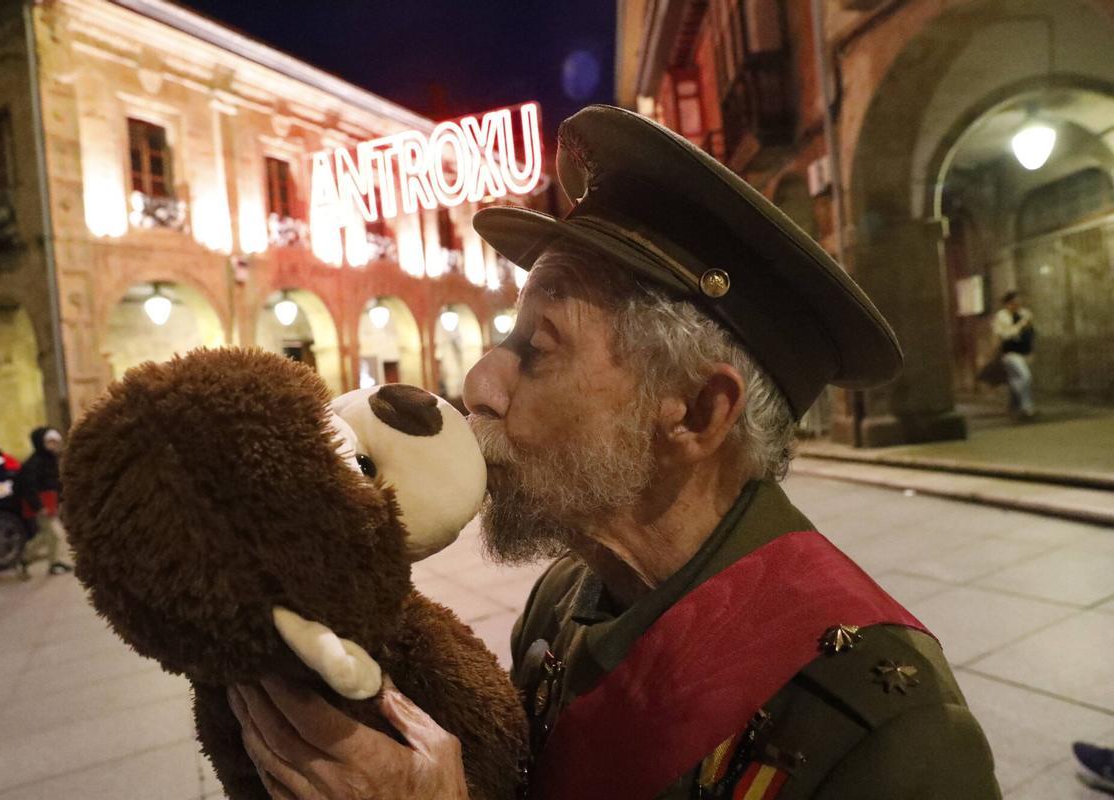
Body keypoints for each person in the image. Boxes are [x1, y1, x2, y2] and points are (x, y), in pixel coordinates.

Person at [226, 105, 1000, 799]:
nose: (480, 380)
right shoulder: (567, 596)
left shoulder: (892, 740)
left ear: (697, 412)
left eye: (539, 346)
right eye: (505, 336)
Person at [14, 426, 72, 578]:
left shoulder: (51, 459)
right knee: (55, 534)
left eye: (55, 441)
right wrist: (39, 506)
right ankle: (53, 563)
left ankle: (24, 559)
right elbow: (27, 486)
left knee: (47, 535)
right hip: (42, 504)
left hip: (51, 503)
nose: (54, 445)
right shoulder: (34, 463)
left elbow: (55, 482)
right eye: (50, 441)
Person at [991, 290, 1036, 419]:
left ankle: (1013, 407)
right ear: (1008, 303)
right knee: (1025, 376)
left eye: (1018, 302)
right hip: (1010, 352)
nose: (1017, 304)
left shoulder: (1025, 314)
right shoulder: (1002, 316)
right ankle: (1027, 407)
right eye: (1014, 302)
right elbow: (1005, 334)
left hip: (1024, 351)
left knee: (1015, 380)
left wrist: (1031, 350)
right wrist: (1021, 324)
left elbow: (1030, 334)